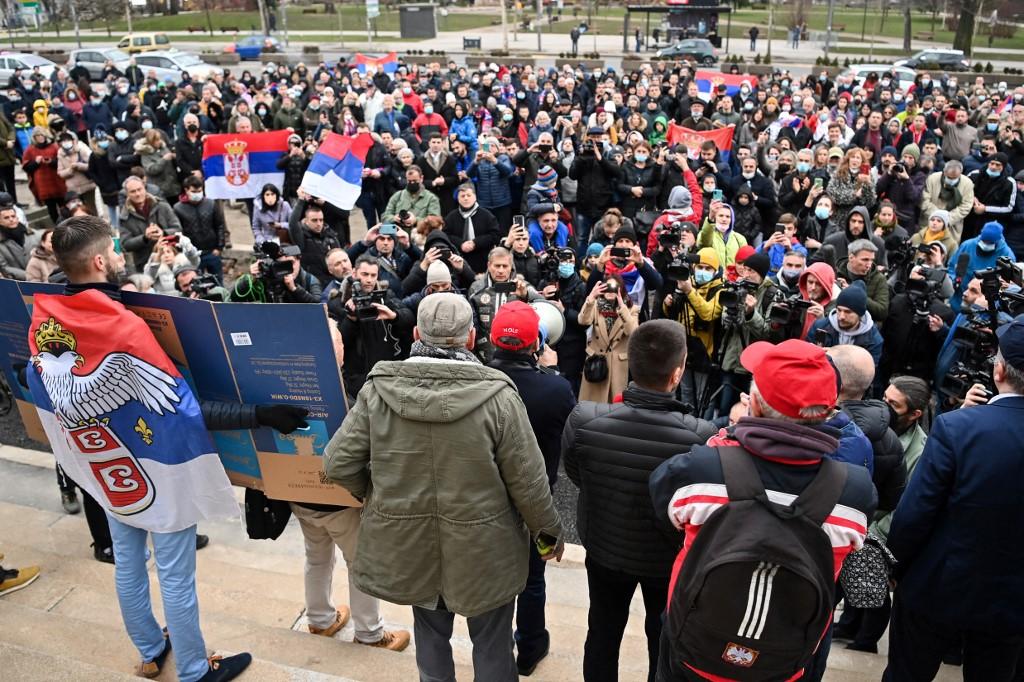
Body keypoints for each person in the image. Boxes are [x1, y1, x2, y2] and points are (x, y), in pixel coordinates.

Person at [39, 215, 310, 681]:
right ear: (102, 260)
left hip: (106, 464)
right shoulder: (121, 326)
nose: (124, 258)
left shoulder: (46, 319)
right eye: (118, 251)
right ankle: (192, 669)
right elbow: (183, 409)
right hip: (157, 468)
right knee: (175, 574)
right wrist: (261, 414)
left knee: (128, 561)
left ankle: (149, 649)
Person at [324, 293, 565, 682]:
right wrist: (549, 533)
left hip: (412, 541)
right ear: (471, 338)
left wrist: (373, 494)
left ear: (417, 333)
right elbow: (530, 481)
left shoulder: (378, 390)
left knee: (431, 639)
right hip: (486, 549)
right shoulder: (498, 397)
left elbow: (336, 463)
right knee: (493, 645)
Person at [649, 338, 876, 682]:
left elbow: (666, 516)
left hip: (695, 648)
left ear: (753, 402)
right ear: (830, 412)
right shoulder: (856, 493)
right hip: (782, 662)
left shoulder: (700, 470)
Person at [563, 319, 715, 682]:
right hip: (667, 556)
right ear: (677, 373)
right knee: (662, 637)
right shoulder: (701, 436)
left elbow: (576, 474)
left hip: (605, 547)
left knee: (602, 631)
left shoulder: (585, 420)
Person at [883, 314, 1024, 681]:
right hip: (1011, 600)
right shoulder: (959, 427)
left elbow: (915, 513)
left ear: (999, 372)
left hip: (937, 585)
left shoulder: (957, 427)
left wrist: (894, 566)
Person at [487, 301, 577, 675]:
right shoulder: (557, 389)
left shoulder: (480, 380)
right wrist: (551, 372)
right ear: (536, 345)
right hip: (538, 499)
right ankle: (530, 645)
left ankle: (494, 644)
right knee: (533, 576)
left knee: (492, 570)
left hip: (487, 495)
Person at [834, 375, 930, 654]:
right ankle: (849, 624)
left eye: (894, 405)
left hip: (881, 526)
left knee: (870, 581)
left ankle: (866, 640)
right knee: (850, 578)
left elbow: (906, 503)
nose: (884, 407)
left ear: (914, 415)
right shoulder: (871, 428)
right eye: (884, 398)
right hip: (861, 514)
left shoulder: (920, 451)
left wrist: (871, 533)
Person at [579, 276, 640, 403]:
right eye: (607, 287)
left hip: (617, 365)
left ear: (621, 290)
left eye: (614, 288)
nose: (610, 291)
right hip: (596, 363)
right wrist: (591, 298)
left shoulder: (631, 309)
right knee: (593, 406)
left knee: (614, 407)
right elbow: (583, 321)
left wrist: (622, 308)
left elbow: (633, 332)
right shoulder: (595, 306)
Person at [807, 281, 884, 366]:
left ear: (860, 314)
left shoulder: (873, 340)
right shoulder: (820, 327)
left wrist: (836, 357)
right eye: (839, 310)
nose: (841, 316)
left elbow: (869, 373)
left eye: (848, 312)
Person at [119, 176, 182, 272]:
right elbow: (125, 244)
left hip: (171, 259)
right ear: (127, 194)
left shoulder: (162, 206)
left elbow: (178, 229)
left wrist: (163, 233)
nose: (137, 194)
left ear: (144, 188)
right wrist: (144, 238)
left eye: (139, 189)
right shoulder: (124, 216)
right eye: (133, 191)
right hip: (146, 264)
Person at [173, 176, 226, 281]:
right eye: (194, 191)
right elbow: (178, 232)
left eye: (199, 191)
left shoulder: (211, 204)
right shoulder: (178, 208)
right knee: (196, 283)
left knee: (217, 282)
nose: (197, 194)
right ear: (186, 190)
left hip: (212, 251)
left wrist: (219, 247)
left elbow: (219, 225)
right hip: (192, 254)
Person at [443, 183, 499, 276]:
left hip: (483, 258)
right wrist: (460, 243)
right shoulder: (451, 217)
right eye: (462, 196)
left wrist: (475, 243)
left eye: (469, 195)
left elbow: (495, 235)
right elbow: (446, 235)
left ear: (475, 197)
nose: (466, 198)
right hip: (459, 260)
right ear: (458, 198)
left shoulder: (487, 215)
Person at [0, 204, 40, 280]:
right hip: (20, 282)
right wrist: (29, 276)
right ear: (0, 221)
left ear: (17, 218)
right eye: (6, 218)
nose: (11, 219)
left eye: (13, 216)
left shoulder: (33, 234)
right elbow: (4, 267)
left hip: (43, 277)